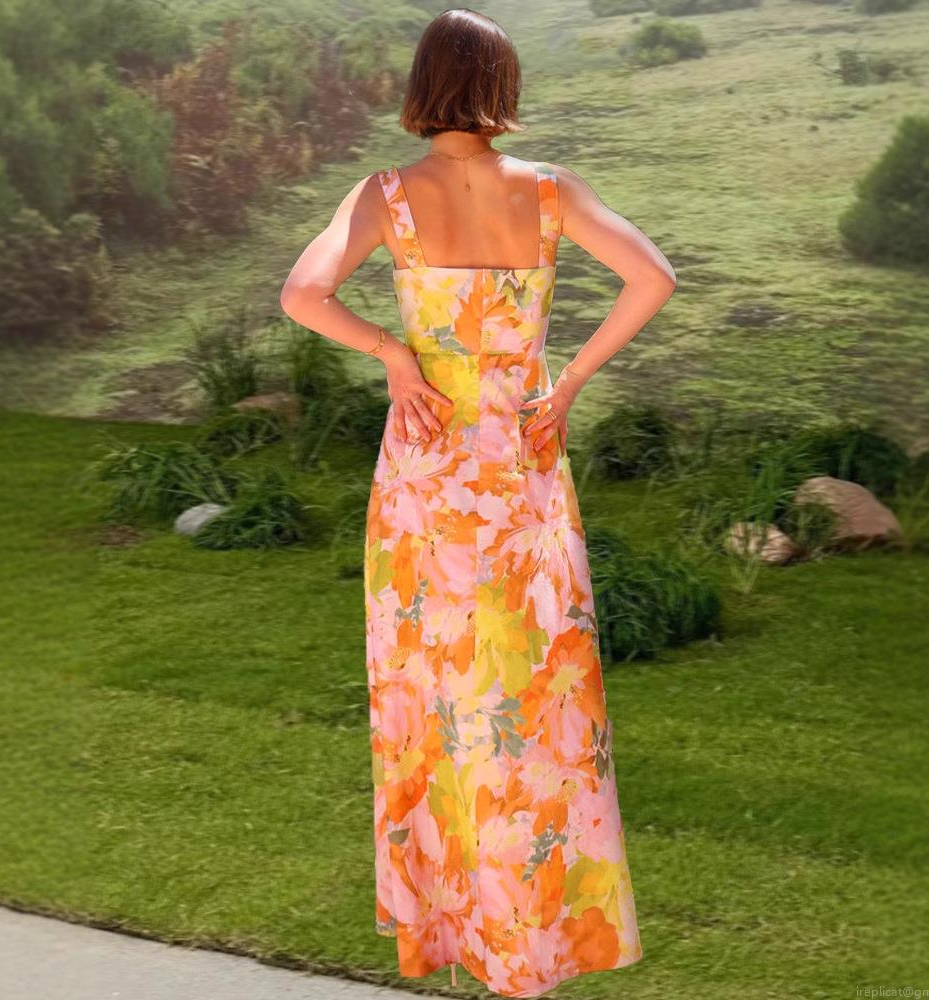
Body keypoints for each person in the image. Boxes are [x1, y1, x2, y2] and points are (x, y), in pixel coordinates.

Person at [279, 9, 676, 998]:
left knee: (436, 695)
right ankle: (534, 937)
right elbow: (653, 277)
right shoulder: (548, 191)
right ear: (501, 86)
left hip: (425, 472)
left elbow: (301, 294)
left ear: (423, 86)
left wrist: (391, 352)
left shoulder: (385, 195)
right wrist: (568, 381)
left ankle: (459, 925)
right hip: (522, 464)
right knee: (533, 698)